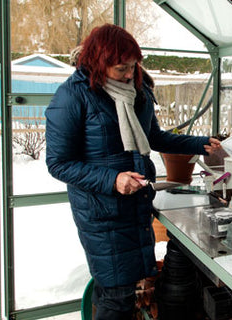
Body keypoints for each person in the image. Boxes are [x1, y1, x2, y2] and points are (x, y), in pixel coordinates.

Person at [45, 23, 221, 319]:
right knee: (117, 297)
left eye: (133, 65)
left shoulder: (137, 92)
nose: (129, 74)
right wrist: (113, 180)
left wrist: (202, 144)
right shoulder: (73, 97)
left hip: (135, 207)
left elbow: (154, 137)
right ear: (99, 63)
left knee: (120, 293)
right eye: (121, 68)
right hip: (102, 213)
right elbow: (59, 163)